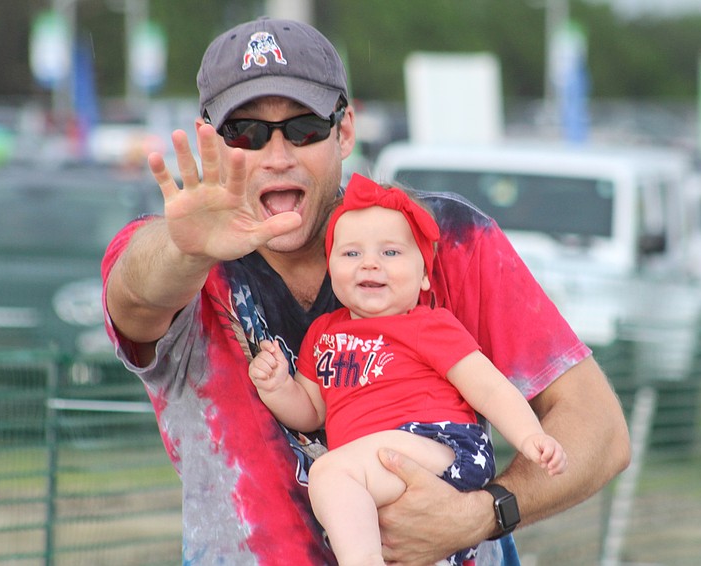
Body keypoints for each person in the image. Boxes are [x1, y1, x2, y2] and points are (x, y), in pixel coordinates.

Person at [102, 16, 630, 566]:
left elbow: (600, 429)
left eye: (304, 128)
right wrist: (190, 249)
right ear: (210, 139)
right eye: (246, 133)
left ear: (345, 131)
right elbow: (136, 301)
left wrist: (479, 514)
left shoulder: (440, 237)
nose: (277, 155)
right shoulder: (177, 255)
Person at [249, 174, 567, 566]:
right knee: (351, 495)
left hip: (442, 446)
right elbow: (311, 411)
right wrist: (277, 386)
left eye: (391, 253)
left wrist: (530, 435)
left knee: (331, 474)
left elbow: (489, 390)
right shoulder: (323, 334)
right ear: (331, 270)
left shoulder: (429, 324)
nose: (369, 263)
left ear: (423, 276)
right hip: (377, 466)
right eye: (351, 254)